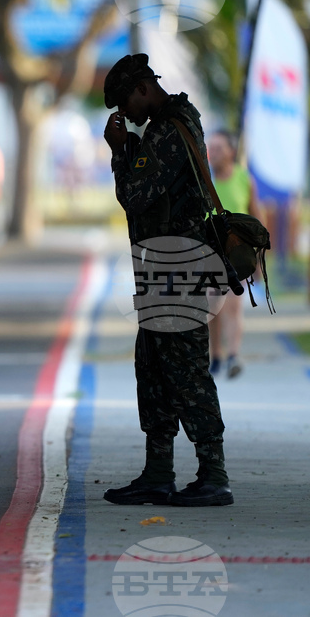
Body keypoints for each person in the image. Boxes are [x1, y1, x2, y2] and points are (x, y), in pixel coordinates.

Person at [102, 53, 233, 507]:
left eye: (126, 102)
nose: (125, 113)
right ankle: (158, 473)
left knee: (186, 371)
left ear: (143, 88)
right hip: (164, 268)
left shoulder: (167, 131)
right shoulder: (172, 123)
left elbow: (134, 196)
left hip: (179, 269)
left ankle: (214, 474)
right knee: (154, 369)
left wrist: (119, 150)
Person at [206, 130, 260, 379]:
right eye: (211, 148)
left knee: (233, 306)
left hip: (237, 254)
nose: (214, 152)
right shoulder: (203, 180)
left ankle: (233, 356)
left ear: (231, 151)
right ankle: (216, 354)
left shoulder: (244, 179)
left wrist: (258, 255)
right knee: (212, 306)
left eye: (219, 148)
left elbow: (255, 216)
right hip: (209, 252)